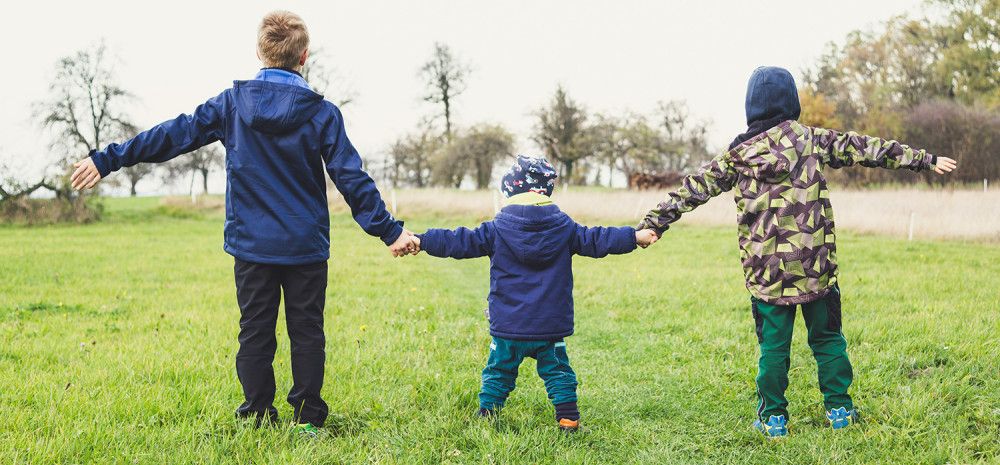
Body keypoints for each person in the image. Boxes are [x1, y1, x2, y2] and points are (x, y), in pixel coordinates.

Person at [69, 10, 419, 435]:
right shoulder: (322, 113)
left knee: (254, 332)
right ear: (304, 56)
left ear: (259, 51)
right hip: (305, 246)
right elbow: (351, 178)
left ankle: (256, 413)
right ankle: (308, 420)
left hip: (252, 246)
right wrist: (390, 231)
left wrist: (107, 159)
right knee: (307, 331)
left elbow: (172, 135)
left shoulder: (232, 105)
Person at [638, 66, 957, 438]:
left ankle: (773, 418)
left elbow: (693, 188)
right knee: (827, 340)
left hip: (768, 276)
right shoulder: (811, 140)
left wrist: (655, 223)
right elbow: (865, 148)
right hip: (816, 268)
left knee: (773, 348)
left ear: (751, 109)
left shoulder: (737, 156)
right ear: (792, 102)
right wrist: (924, 159)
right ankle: (839, 409)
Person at [414, 155, 659, 431]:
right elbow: (597, 238)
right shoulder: (565, 228)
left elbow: (458, 241)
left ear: (510, 191)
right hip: (549, 325)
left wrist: (423, 240)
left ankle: (488, 415)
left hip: (508, 325)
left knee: (499, 371)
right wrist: (634, 237)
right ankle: (568, 418)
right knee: (558, 372)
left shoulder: (496, 229)